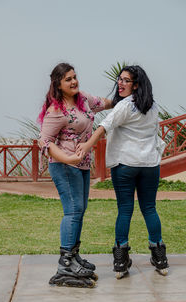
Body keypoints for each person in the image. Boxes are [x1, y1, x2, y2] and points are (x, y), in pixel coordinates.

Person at [76, 65, 169, 278]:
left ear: (136, 85)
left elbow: (104, 127)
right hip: (149, 165)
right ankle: (160, 258)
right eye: (120, 79)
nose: (120, 83)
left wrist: (86, 146)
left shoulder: (125, 106)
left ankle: (120, 261)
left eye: (126, 80)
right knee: (149, 208)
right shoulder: (152, 106)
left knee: (125, 209)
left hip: (125, 164)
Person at [37, 62, 112, 287]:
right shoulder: (55, 110)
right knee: (73, 211)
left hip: (82, 165)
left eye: (75, 77)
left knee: (81, 210)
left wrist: (125, 96)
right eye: (68, 79)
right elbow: (44, 142)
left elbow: (105, 103)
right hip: (64, 165)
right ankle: (65, 263)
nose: (74, 82)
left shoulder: (83, 99)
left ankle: (73, 256)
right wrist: (69, 159)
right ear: (58, 85)